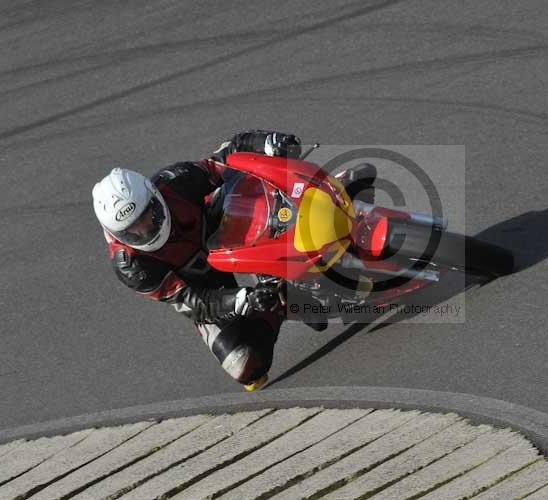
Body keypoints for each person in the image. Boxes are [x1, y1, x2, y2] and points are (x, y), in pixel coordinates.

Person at [91, 130, 374, 391]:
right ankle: (281, 298)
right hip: (205, 285)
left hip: (221, 229)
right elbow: (192, 301)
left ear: (154, 196)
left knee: (247, 184)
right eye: (133, 230)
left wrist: (267, 142)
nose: (145, 229)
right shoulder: (131, 266)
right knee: (245, 366)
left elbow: (228, 156)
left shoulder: (175, 181)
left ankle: (325, 196)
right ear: (117, 233)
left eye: (146, 216)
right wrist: (240, 299)